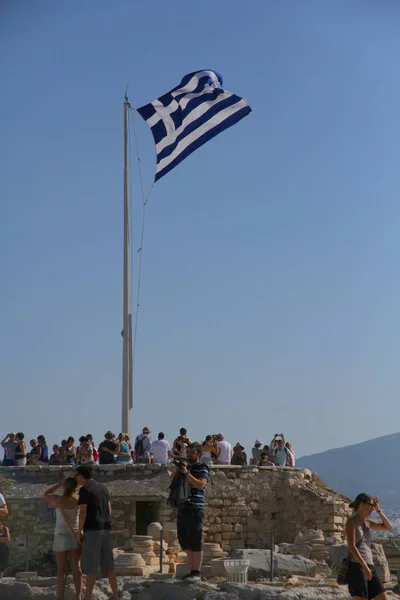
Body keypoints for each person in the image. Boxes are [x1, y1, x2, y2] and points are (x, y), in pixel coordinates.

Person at [76, 464, 117, 600]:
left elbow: (83, 512)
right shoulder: (103, 487)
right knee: (109, 563)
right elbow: (109, 509)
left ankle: (88, 596)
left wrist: (79, 531)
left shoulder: (84, 489)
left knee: (91, 564)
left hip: (92, 529)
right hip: (106, 527)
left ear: (81, 476)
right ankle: (115, 595)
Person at [170, 442, 208, 582]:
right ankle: (192, 570)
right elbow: (170, 485)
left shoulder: (201, 467)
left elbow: (200, 484)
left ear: (198, 454)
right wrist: (177, 472)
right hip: (183, 506)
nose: (189, 454)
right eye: (188, 452)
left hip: (195, 506)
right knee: (184, 539)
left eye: (192, 452)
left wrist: (187, 474)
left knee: (195, 539)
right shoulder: (185, 466)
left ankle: (196, 571)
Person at [345, 493, 392, 600]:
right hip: (356, 567)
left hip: (369, 566)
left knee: (384, 598)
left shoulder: (368, 522)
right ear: (362, 504)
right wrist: (364, 566)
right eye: (371, 505)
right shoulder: (351, 522)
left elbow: (388, 526)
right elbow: (352, 547)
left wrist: (378, 509)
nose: (372, 508)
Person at [44, 478, 82, 600]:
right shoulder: (78, 500)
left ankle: (60, 597)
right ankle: (78, 597)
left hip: (60, 535)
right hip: (75, 534)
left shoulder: (58, 499)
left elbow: (46, 494)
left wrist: (60, 483)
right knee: (76, 569)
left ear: (65, 487)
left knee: (61, 570)